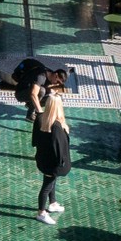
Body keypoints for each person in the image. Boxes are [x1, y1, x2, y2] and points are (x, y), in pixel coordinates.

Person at [33, 95, 71, 225]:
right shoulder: (56, 126)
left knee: (51, 180)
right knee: (47, 186)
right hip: (52, 163)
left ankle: (53, 203)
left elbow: (35, 140)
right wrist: (61, 163)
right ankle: (41, 213)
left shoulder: (40, 118)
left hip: (43, 158)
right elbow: (59, 148)